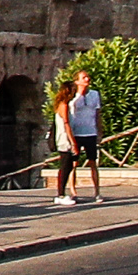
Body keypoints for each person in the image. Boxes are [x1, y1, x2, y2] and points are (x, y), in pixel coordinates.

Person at [51, 72, 105, 209]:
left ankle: (96, 192)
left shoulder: (94, 95)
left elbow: (97, 114)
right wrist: (73, 142)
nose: (87, 79)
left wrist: (99, 130)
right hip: (72, 135)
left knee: (90, 162)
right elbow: (66, 123)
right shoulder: (68, 102)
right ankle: (67, 193)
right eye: (84, 77)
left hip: (89, 132)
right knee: (70, 165)